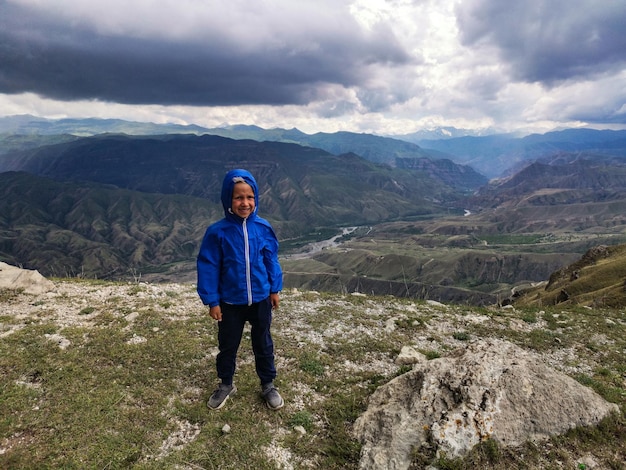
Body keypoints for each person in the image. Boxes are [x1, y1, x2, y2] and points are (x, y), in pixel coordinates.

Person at [197, 169, 284, 410]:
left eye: (249, 197)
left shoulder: (263, 228)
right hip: (230, 302)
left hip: (260, 299)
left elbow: (271, 260)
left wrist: (274, 289)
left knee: (263, 343)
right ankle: (226, 383)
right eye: (238, 197)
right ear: (228, 200)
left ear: (256, 198)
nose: (244, 203)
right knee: (227, 345)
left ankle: (268, 384)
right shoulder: (217, 232)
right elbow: (208, 267)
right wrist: (212, 301)